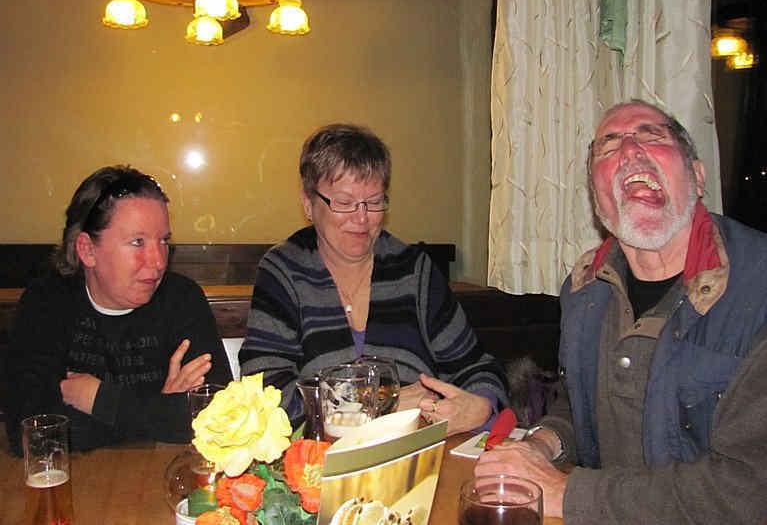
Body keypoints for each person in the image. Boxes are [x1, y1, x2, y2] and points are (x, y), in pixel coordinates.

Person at [475, 100, 767, 523]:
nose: (630, 150)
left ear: (698, 176)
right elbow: (577, 403)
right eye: (608, 147)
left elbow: (752, 489)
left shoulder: (757, 287)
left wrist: (568, 493)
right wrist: (542, 443)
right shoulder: (584, 290)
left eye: (653, 136)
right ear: (597, 199)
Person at [239, 124, 508, 435]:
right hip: (322, 455)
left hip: (416, 449)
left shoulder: (413, 271)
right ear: (308, 204)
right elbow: (265, 391)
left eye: (375, 201)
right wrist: (380, 405)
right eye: (344, 202)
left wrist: (480, 405)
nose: (362, 217)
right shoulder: (284, 271)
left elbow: (478, 367)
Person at [6, 166, 232, 454]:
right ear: (88, 250)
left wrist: (99, 399)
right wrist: (162, 411)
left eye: (163, 241)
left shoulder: (182, 299)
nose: (158, 261)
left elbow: (221, 419)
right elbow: (30, 433)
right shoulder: (47, 303)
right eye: (138, 242)